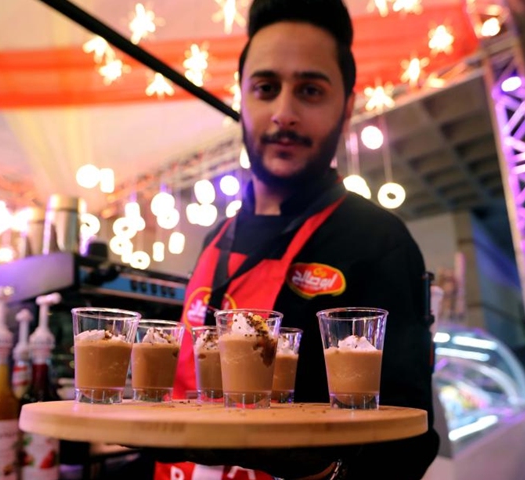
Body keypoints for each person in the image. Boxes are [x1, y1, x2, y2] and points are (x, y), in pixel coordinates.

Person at [122, 0, 439, 478]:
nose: (284, 113)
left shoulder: (378, 241)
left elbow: (406, 445)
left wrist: (311, 468)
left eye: (310, 90)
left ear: (347, 107)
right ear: (243, 99)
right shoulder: (217, 235)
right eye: (266, 88)